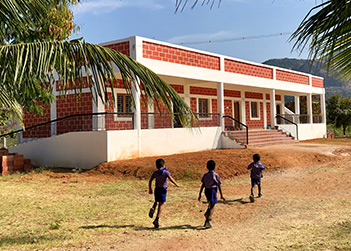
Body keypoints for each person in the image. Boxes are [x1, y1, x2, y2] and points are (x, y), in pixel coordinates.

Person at [148, 158, 179, 228]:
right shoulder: (165, 172)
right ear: (164, 165)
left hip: (157, 189)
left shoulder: (155, 173)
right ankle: (156, 219)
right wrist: (176, 184)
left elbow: (150, 181)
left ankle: (154, 204)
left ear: (156, 166)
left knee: (157, 200)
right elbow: (170, 178)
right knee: (161, 205)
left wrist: (150, 189)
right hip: (163, 190)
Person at [198, 160, 225, 228]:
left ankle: (207, 214)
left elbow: (203, 184)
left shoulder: (205, 175)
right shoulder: (215, 175)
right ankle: (207, 220)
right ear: (214, 167)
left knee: (210, 203)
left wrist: (200, 194)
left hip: (206, 191)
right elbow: (219, 185)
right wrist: (221, 195)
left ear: (207, 167)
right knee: (212, 205)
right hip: (212, 191)